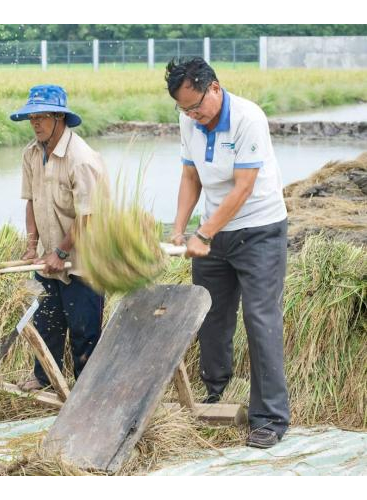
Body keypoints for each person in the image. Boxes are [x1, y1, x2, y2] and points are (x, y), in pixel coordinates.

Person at [165, 57, 289, 449]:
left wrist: (203, 232)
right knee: (212, 316)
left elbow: (243, 188)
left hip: (259, 230)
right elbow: (190, 175)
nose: (192, 115)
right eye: (184, 109)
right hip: (212, 231)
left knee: (259, 318)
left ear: (214, 88)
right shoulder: (189, 120)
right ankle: (214, 392)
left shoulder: (248, 118)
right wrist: (180, 228)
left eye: (196, 106)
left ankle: (269, 418)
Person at [10, 84, 107, 391]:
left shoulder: (81, 159)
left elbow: (89, 215)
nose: (35, 123)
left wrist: (62, 253)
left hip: (83, 261)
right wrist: (31, 246)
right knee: (46, 322)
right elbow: (31, 200)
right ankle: (46, 379)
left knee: (83, 330)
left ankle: (87, 390)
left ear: (59, 118)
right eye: (32, 118)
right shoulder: (31, 154)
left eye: (41, 117)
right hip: (48, 258)